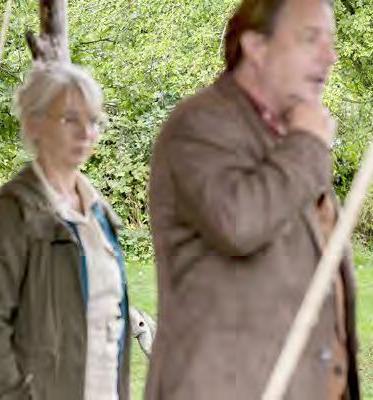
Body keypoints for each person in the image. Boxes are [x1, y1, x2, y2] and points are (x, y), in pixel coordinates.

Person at [145, 0, 360, 398]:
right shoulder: (199, 125)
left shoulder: (289, 133)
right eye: (310, 38)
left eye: (330, 41)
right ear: (257, 47)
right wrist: (307, 143)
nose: (329, 56)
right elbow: (238, 223)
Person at [0, 63, 131, 400]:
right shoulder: (13, 211)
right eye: (70, 119)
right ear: (34, 123)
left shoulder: (98, 212)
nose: (86, 132)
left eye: (94, 121)